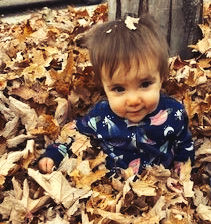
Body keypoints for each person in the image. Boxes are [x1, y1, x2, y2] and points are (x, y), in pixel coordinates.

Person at [39, 14, 195, 175]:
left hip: (159, 181)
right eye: (119, 89)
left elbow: (183, 142)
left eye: (145, 84)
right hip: (114, 186)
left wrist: (182, 166)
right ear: (104, 87)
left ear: (161, 78)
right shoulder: (101, 116)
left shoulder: (173, 113)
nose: (133, 100)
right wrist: (54, 153)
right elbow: (75, 130)